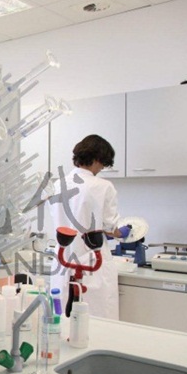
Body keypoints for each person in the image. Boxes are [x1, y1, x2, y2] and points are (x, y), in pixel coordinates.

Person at [48, 135, 131, 320]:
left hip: (63, 259)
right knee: (96, 321)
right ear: (97, 158)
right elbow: (110, 227)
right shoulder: (103, 186)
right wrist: (123, 233)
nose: (102, 169)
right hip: (92, 262)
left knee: (62, 320)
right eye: (103, 164)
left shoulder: (58, 184)